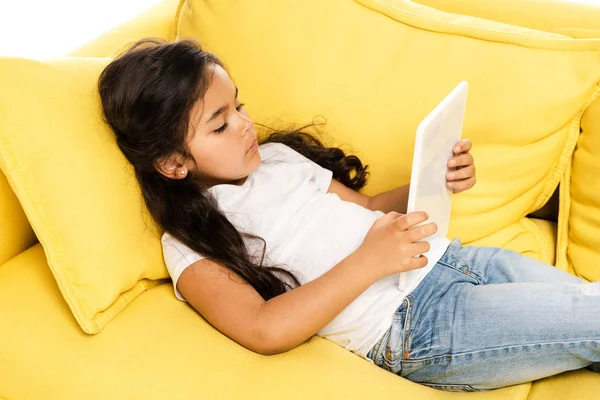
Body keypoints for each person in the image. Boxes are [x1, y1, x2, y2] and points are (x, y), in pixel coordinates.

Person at [97, 38, 600, 392]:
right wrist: (369, 261)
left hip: (456, 264)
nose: (246, 125)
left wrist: (431, 180)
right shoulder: (190, 241)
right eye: (220, 124)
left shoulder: (276, 159)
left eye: (240, 107)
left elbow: (365, 209)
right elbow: (262, 329)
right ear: (173, 162)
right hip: (413, 327)